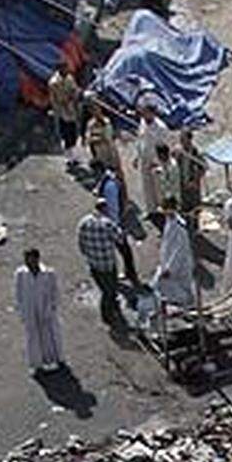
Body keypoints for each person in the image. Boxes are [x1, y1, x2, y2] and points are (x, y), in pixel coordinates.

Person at [77, 198, 127, 328]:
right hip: (108, 263)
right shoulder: (108, 224)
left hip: (93, 263)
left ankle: (113, 309)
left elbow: (81, 244)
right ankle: (108, 316)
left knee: (105, 288)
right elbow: (120, 239)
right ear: (105, 209)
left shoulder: (84, 222)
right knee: (109, 290)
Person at [14, 249, 63, 374]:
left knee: (48, 335)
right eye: (27, 259)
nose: (29, 262)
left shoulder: (48, 273)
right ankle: (36, 364)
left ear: (37, 259)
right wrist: (21, 310)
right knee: (32, 337)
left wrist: (52, 307)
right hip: (29, 309)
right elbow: (18, 293)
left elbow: (54, 291)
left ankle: (51, 361)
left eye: (32, 259)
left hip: (45, 309)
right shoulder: (21, 274)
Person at [94, 161, 138, 284]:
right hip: (116, 220)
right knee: (124, 249)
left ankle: (129, 273)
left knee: (122, 249)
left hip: (115, 222)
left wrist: (113, 224)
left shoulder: (109, 186)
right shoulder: (108, 180)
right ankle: (129, 272)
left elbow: (113, 207)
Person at [153, 197, 194, 307]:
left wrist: (169, 269)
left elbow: (179, 250)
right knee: (161, 285)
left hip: (178, 264)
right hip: (169, 261)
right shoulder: (170, 221)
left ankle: (186, 304)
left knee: (176, 287)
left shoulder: (178, 226)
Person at [135, 105, 169, 216]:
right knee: (147, 186)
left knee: (159, 187)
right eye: (143, 113)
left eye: (147, 113)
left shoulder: (161, 128)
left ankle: (164, 209)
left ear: (153, 113)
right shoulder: (143, 123)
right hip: (145, 159)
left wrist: (157, 162)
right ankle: (151, 210)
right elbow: (140, 140)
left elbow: (164, 147)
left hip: (156, 162)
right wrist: (137, 157)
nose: (144, 115)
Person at [47, 66, 82, 166]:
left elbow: (74, 90)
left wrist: (76, 95)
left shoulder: (69, 78)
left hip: (71, 110)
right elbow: (54, 99)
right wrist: (57, 110)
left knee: (73, 133)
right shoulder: (54, 82)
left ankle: (74, 155)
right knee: (65, 134)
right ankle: (68, 157)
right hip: (62, 112)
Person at [177, 129, 206, 220]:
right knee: (184, 208)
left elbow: (203, 167)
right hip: (182, 184)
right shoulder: (178, 151)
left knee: (195, 209)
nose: (181, 141)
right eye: (181, 138)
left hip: (193, 186)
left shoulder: (195, 152)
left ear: (189, 139)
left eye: (183, 139)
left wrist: (194, 181)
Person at [154, 144, 181, 209]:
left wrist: (161, 172)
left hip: (172, 198)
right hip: (166, 197)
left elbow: (171, 181)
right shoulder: (163, 164)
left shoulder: (172, 165)